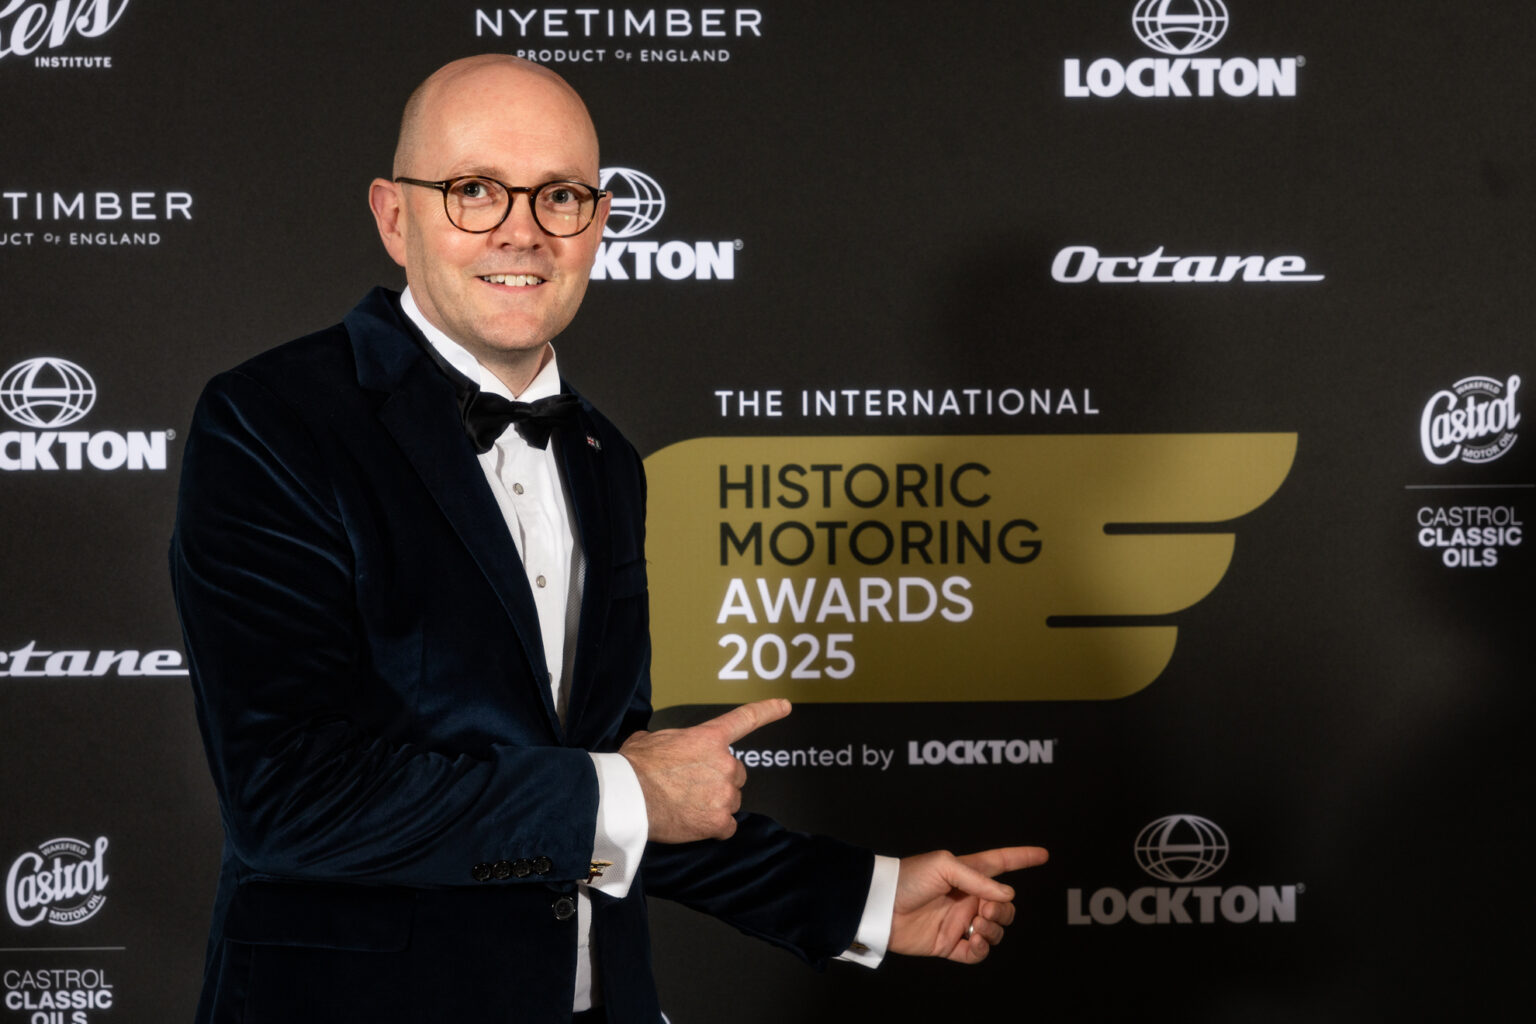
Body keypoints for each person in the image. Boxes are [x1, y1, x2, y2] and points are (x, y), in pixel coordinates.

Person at [170, 54, 1047, 1024]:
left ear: (598, 222)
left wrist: (867, 897)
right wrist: (624, 791)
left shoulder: (605, 458)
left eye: (560, 196)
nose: (522, 231)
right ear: (393, 216)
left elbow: (617, 789)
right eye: (474, 190)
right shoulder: (272, 421)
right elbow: (290, 799)